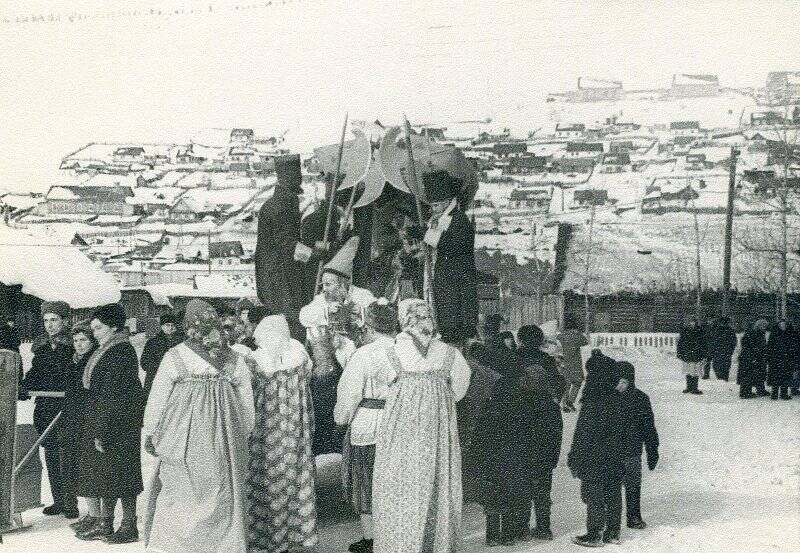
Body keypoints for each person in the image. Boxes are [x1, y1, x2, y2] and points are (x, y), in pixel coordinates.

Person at [142, 299, 254, 553]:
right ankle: (221, 545)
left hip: (183, 432)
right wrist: (244, 430)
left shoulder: (176, 356)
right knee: (221, 487)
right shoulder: (232, 358)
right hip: (223, 434)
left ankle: (184, 545)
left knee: (183, 486)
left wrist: (151, 431)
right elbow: (246, 398)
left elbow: (158, 397)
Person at [372, 299, 472, 553]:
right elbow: (460, 387)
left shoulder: (390, 353)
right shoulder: (450, 353)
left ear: (403, 321)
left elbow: (382, 384)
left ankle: (403, 545)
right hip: (438, 433)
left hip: (402, 435)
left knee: (402, 483)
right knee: (439, 480)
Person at [474, 352, 562, 546]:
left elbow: (516, 432)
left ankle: (520, 529)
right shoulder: (551, 406)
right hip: (545, 459)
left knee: (522, 494)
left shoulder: (520, 403)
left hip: (524, 456)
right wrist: (552, 458)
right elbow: (556, 436)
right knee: (542, 494)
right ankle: (544, 528)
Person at [247, 313, 318, 553]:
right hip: (296, 429)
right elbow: (309, 377)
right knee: (295, 477)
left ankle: (267, 539)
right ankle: (297, 534)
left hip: (264, 431)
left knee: (265, 479)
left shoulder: (254, 361)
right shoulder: (299, 357)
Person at [75, 303, 145, 544]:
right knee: (108, 474)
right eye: (93, 328)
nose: (94, 332)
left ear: (113, 327)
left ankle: (128, 525)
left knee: (123, 474)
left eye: (98, 327)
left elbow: (112, 395)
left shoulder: (119, 352)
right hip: (109, 419)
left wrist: (102, 430)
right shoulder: (108, 349)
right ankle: (106, 523)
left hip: (119, 423)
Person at [334, 299, 399, 553]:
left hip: (368, 424)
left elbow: (349, 395)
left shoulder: (364, 354)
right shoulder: (404, 350)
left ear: (370, 328)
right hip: (398, 422)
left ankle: (371, 539)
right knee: (395, 479)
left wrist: (341, 419)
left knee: (365, 481)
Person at [300, 236, 376, 455]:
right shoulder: (322, 301)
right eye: (324, 284)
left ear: (345, 284)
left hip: (359, 361)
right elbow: (304, 316)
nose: (325, 289)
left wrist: (355, 315)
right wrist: (325, 312)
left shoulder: (363, 296)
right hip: (331, 365)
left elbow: (374, 318)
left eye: (330, 284)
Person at [255, 154, 329, 341]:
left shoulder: (278, 201)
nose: (301, 179)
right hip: (281, 276)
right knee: (292, 320)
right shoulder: (282, 205)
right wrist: (314, 254)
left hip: (275, 275)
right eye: (298, 176)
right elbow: (286, 242)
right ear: (288, 178)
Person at [18, 301, 74, 517]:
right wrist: (25, 386)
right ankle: (58, 500)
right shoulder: (40, 347)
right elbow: (36, 373)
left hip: (66, 406)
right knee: (50, 452)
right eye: (46, 320)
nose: (50, 325)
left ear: (64, 321)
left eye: (54, 320)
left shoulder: (74, 344)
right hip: (45, 407)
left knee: (65, 454)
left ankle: (71, 503)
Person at [568, 353, 627, 547]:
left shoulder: (592, 400)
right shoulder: (618, 398)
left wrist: (574, 458)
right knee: (613, 492)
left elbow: (583, 433)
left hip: (594, 456)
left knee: (593, 495)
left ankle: (594, 533)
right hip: (615, 455)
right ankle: (613, 532)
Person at [422, 169, 478, 346]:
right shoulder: (437, 221)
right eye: (431, 206)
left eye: (437, 206)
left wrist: (425, 234)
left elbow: (454, 246)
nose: (433, 210)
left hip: (455, 285)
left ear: (448, 202)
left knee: (452, 328)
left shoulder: (460, 221)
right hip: (442, 283)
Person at [64, 325, 101, 535]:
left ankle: (96, 515)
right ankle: (91, 513)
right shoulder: (74, 361)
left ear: (91, 341)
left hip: (88, 419)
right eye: (76, 340)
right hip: (74, 419)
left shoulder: (93, 361)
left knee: (90, 469)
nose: (79, 344)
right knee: (81, 468)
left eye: (83, 340)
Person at [615, 361, 659, 530]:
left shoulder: (640, 398)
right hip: (611, 451)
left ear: (631, 381)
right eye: (617, 381)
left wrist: (652, 450)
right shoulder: (607, 399)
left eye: (624, 381)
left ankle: (633, 516)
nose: (620, 385)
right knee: (611, 486)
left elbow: (649, 427)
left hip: (632, 451)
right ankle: (611, 519)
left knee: (632, 484)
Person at [517, 324, 567, 403]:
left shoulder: (513, 357)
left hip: (518, 406)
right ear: (540, 340)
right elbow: (559, 382)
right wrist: (555, 400)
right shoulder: (546, 358)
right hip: (542, 405)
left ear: (520, 340)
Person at [140, 312, 183, 400]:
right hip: (155, 379)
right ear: (162, 326)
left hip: (175, 380)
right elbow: (144, 363)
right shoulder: (152, 342)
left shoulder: (180, 342)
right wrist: (158, 368)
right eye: (167, 325)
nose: (170, 328)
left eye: (172, 325)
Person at [557, 317, 589, 412]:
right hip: (575, 364)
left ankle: (565, 404)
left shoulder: (560, 336)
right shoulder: (578, 336)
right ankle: (570, 401)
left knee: (566, 384)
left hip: (563, 363)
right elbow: (586, 342)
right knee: (577, 383)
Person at [737, 319, 770, 399]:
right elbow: (746, 345)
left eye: (765, 326)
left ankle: (760, 390)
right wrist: (753, 355)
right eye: (762, 325)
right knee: (747, 375)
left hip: (758, 357)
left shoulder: (761, 334)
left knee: (759, 374)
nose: (764, 327)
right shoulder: (751, 333)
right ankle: (745, 392)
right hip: (749, 358)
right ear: (758, 325)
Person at [766, 319, 796, 400]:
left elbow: (792, 347)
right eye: (781, 325)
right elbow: (769, 347)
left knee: (785, 377)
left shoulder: (789, 334)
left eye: (784, 325)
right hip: (775, 360)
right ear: (778, 325)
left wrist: (791, 356)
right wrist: (770, 358)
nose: (783, 326)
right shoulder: (774, 334)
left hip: (786, 360)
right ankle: (774, 394)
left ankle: (784, 394)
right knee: (775, 377)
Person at [677, 318, 706, 395]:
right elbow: (680, 342)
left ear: (695, 323)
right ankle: (689, 387)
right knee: (688, 371)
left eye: (693, 322)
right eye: (691, 322)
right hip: (687, 354)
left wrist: (703, 353)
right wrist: (679, 353)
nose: (692, 323)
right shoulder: (685, 331)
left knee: (695, 371)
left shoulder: (700, 331)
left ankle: (695, 388)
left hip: (696, 354)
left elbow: (703, 343)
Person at [705, 316, 737, 382]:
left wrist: (713, 350)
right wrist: (730, 350)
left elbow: (733, 342)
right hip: (723, 351)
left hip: (720, 351)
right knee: (724, 365)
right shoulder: (728, 331)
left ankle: (721, 377)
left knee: (719, 365)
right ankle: (723, 378)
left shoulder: (718, 330)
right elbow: (734, 342)